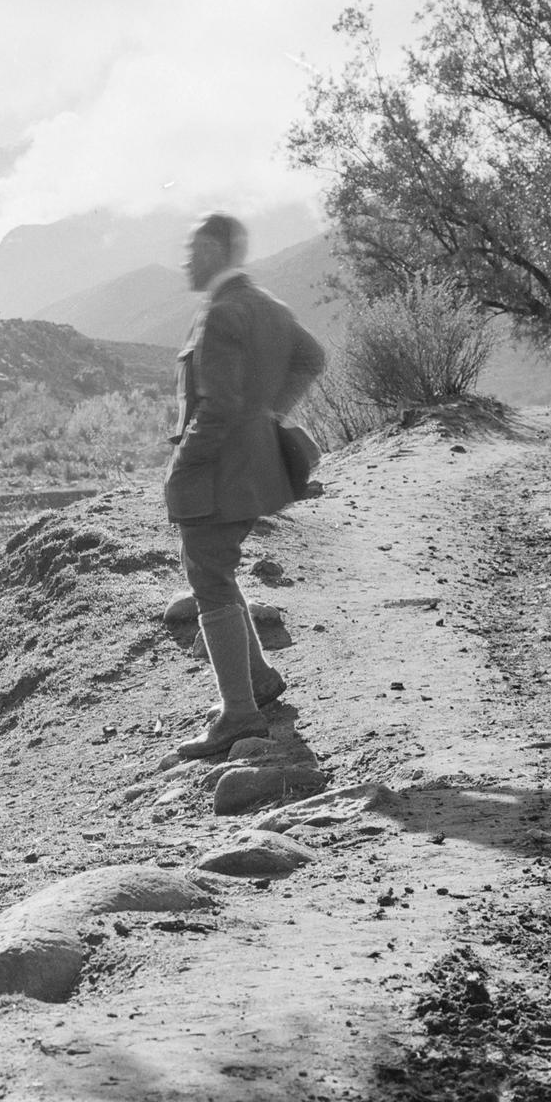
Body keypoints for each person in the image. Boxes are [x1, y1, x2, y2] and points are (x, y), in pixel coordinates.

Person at [164, 211, 327, 759]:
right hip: (254, 470)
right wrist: (270, 415)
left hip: (217, 475)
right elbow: (312, 358)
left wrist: (183, 466)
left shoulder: (222, 312)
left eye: (193, 249)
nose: (186, 260)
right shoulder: (267, 305)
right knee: (216, 570)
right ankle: (257, 682)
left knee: (208, 579)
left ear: (215, 250)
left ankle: (238, 716)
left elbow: (218, 406)